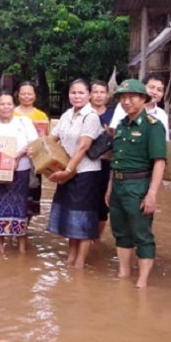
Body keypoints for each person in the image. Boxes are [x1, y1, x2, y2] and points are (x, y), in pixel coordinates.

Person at [105, 79, 166, 288]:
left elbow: (159, 161)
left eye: (131, 97)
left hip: (138, 184)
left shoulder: (153, 126)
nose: (126, 102)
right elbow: (116, 160)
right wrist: (110, 187)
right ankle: (123, 272)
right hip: (119, 185)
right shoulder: (121, 126)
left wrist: (152, 194)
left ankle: (142, 280)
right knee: (120, 231)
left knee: (141, 232)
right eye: (122, 98)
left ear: (143, 99)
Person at [43, 79, 103, 268]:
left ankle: (80, 262)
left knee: (83, 218)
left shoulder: (91, 116)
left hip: (85, 173)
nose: (76, 96)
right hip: (66, 172)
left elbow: (83, 146)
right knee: (70, 216)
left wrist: (68, 170)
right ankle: (71, 257)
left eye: (81, 93)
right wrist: (36, 149)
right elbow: (52, 139)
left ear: (89, 95)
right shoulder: (67, 114)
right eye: (73, 92)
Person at [0, 92, 39, 254]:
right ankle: (0, 249)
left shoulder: (24, 122)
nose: (6, 107)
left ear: (13, 106)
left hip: (20, 171)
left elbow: (33, 143)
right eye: (2, 104)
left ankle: (21, 248)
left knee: (19, 209)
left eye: (9, 104)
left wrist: (17, 156)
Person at [13, 81, 50, 220]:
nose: (26, 96)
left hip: (34, 162)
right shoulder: (11, 113)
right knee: (14, 194)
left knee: (31, 197)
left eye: (29, 93)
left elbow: (47, 141)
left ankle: (24, 231)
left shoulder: (41, 116)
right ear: (18, 95)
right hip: (15, 161)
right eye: (23, 93)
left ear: (34, 96)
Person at [108, 72, 170, 140]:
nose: (155, 92)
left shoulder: (162, 115)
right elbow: (114, 131)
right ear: (142, 88)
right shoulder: (125, 106)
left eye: (159, 90)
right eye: (151, 87)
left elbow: (165, 140)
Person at [90, 79, 115, 239]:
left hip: (106, 164)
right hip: (84, 164)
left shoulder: (114, 115)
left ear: (107, 95)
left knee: (102, 203)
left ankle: (96, 239)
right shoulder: (84, 112)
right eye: (95, 92)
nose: (99, 96)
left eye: (102, 92)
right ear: (90, 95)